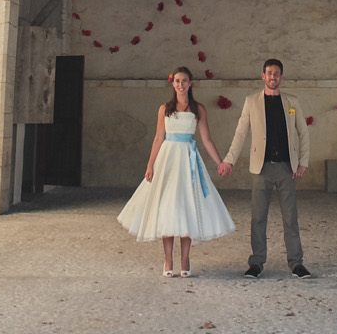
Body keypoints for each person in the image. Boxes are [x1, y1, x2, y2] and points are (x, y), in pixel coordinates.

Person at [118, 65, 234, 276]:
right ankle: (168, 259)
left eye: (184, 81)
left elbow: (206, 139)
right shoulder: (164, 109)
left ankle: (185, 258)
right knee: (168, 207)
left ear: (190, 84)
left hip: (188, 159)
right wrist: (150, 164)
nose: (181, 85)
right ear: (173, 83)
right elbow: (158, 137)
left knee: (187, 205)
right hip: (168, 160)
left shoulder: (198, 109)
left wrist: (219, 162)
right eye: (177, 81)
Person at [217, 57, 312, 278]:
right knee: (258, 217)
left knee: (291, 217)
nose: (273, 77)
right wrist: (229, 159)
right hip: (261, 169)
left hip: (287, 168)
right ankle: (257, 263)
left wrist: (303, 162)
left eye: (276, 73)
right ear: (263, 76)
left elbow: (303, 133)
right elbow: (240, 133)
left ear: (281, 77)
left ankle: (296, 263)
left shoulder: (291, 101)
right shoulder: (251, 101)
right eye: (269, 73)